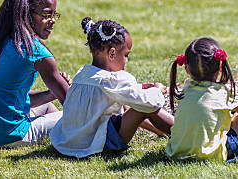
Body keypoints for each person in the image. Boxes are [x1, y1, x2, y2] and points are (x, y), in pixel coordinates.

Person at [50, 17, 174, 158]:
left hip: (69, 142)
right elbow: (151, 102)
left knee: (131, 104)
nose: (126, 61)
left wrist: (138, 88)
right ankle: (182, 132)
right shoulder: (114, 80)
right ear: (112, 53)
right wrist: (156, 90)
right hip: (98, 144)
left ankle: (161, 132)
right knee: (145, 107)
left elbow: (110, 91)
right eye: (126, 55)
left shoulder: (82, 74)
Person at [0, 0, 72, 147]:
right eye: (46, 15)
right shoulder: (36, 52)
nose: (52, 20)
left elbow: (10, 99)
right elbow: (75, 105)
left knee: (48, 107)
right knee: (85, 120)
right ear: (26, 13)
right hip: (11, 137)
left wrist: (50, 94)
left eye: (54, 15)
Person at [166, 37, 238, 162]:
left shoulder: (187, 88)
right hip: (212, 157)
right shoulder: (225, 92)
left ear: (186, 68)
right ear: (220, 67)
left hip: (176, 153)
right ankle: (222, 148)